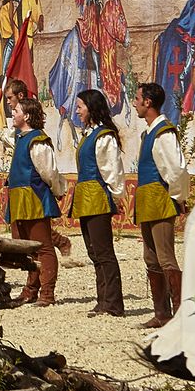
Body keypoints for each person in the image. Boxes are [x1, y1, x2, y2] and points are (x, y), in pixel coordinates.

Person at [128, 82, 192, 328]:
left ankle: (180, 315)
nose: (134, 103)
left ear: (148, 103)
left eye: (137, 98)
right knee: (151, 258)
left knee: (166, 258)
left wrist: (177, 197)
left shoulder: (163, 132)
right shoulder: (150, 133)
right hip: (148, 199)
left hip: (160, 199)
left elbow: (175, 170)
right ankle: (162, 314)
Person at [3, 96, 68, 306]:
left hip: (34, 197)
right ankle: (30, 289)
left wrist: (58, 190)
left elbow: (49, 171)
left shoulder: (38, 141)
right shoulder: (22, 138)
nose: (13, 113)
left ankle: (47, 293)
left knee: (43, 246)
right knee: (27, 248)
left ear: (27, 116)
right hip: (19, 197)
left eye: (17, 110)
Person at [69, 88, 124, 317]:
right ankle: (102, 301)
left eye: (80, 106)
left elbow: (112, 169)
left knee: (104, 252)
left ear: (91, 108)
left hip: (98, 197)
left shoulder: (104, 137)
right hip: (85, 196)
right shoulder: (88, 134)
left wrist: (117, 195)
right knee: (93, 252)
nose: (78, 110)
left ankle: (113, 304)